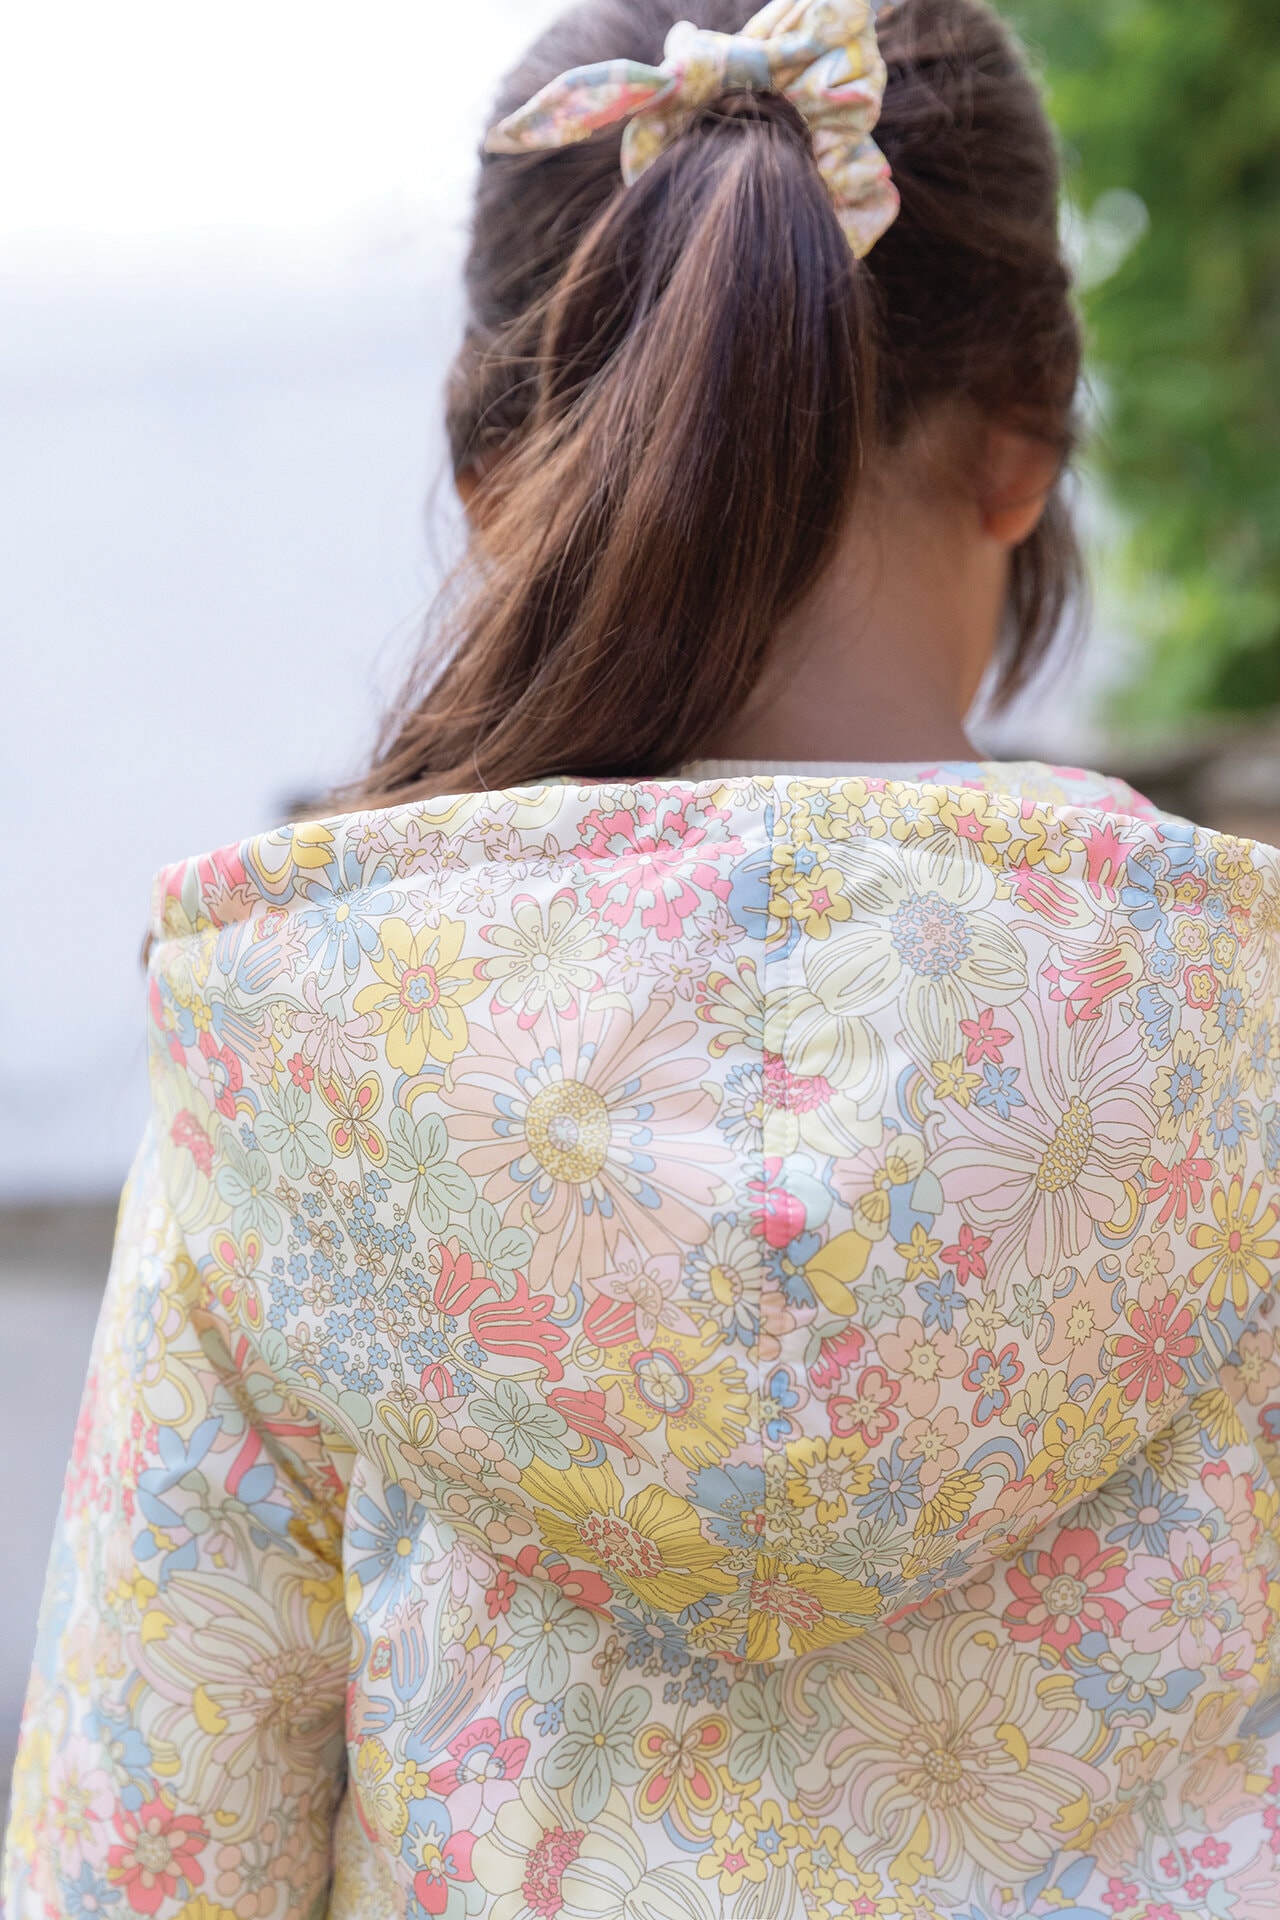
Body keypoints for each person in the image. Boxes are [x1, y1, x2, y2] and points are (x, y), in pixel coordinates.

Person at [8, 1, 1280, 1913]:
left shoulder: (306, 1067)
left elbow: (145, 1856)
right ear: (1027, 446)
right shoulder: (1238, 1037)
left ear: (490, 478)